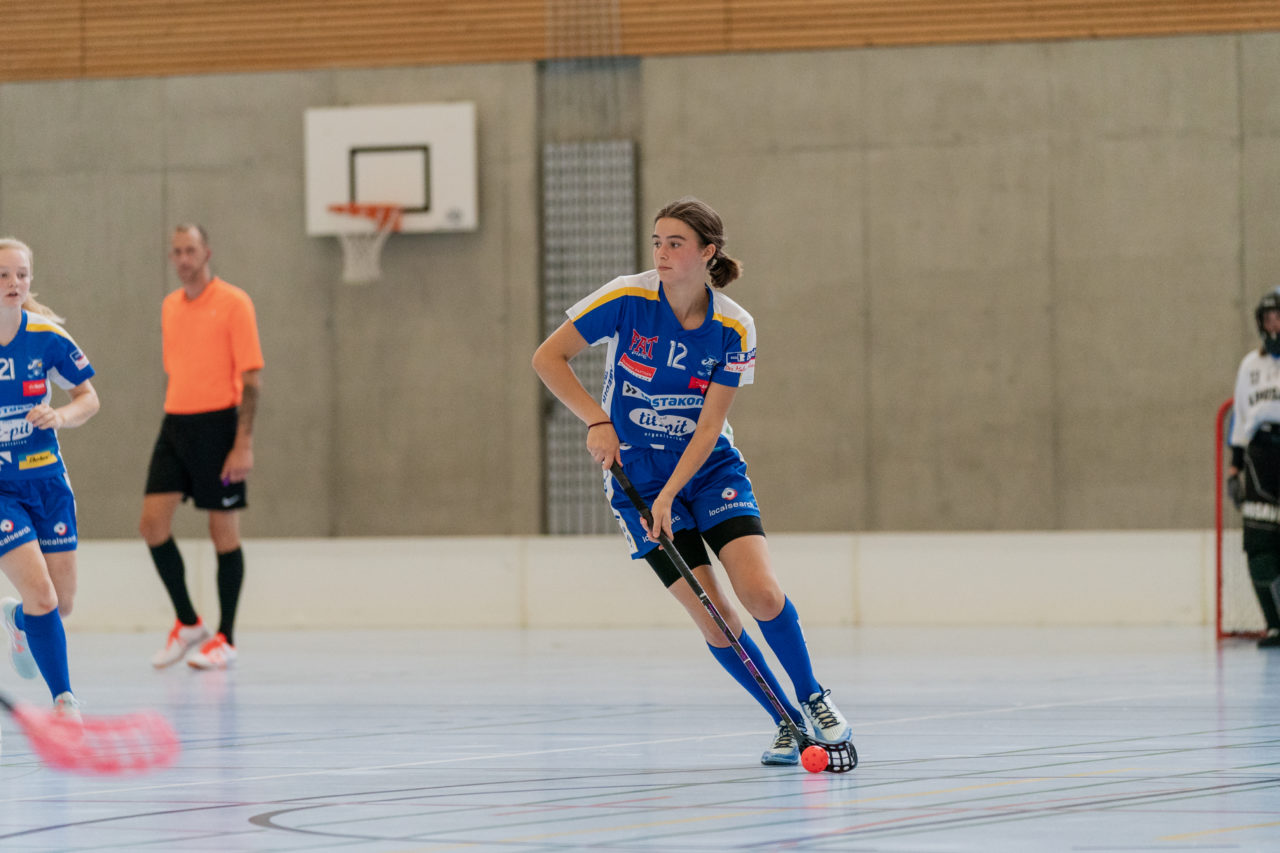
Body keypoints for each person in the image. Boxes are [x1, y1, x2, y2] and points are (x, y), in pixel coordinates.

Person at [532, 197, 852, 766]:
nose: (661, 253)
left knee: (760, 592)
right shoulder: (626, 298)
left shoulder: (734, 326)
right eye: (657, 241)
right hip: (635, 477)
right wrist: (598, 421)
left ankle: (812, 697)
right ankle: (785, 721)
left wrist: (671, 493)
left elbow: (708, 427)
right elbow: (548, 358)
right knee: (715, 617)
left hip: (707, 469)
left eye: (675, 243)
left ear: (708, 253)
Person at [140, 224, 263, 670]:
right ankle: (189, 623)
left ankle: (226, 637)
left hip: (220, 426)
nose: (183, 259)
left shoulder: (234, 302)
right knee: (152, 524)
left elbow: (252, 379)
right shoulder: (170, 306)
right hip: (176, 424)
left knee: (222, 532)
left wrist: (242, 443)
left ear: (206, 253)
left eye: (190, 250)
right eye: (176, 251)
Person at [0, 238, 101, 719]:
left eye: (21, 274)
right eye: (3, 275)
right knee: (41, 593)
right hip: (2, 491)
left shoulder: (47, 337)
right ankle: (65, 700)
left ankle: (18, 620)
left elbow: (88, 397)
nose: (13, 283)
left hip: (46, 482)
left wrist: (60, 416)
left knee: (59, 604)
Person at [1229, 287, 1280, 648]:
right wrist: (1234, 470)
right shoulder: (1250, 366)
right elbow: (1240, 418)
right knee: (1260, 545)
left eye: (1279, 318)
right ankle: (1274, 624)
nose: (1274, 325)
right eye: (1268, 319)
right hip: (1260, 456)